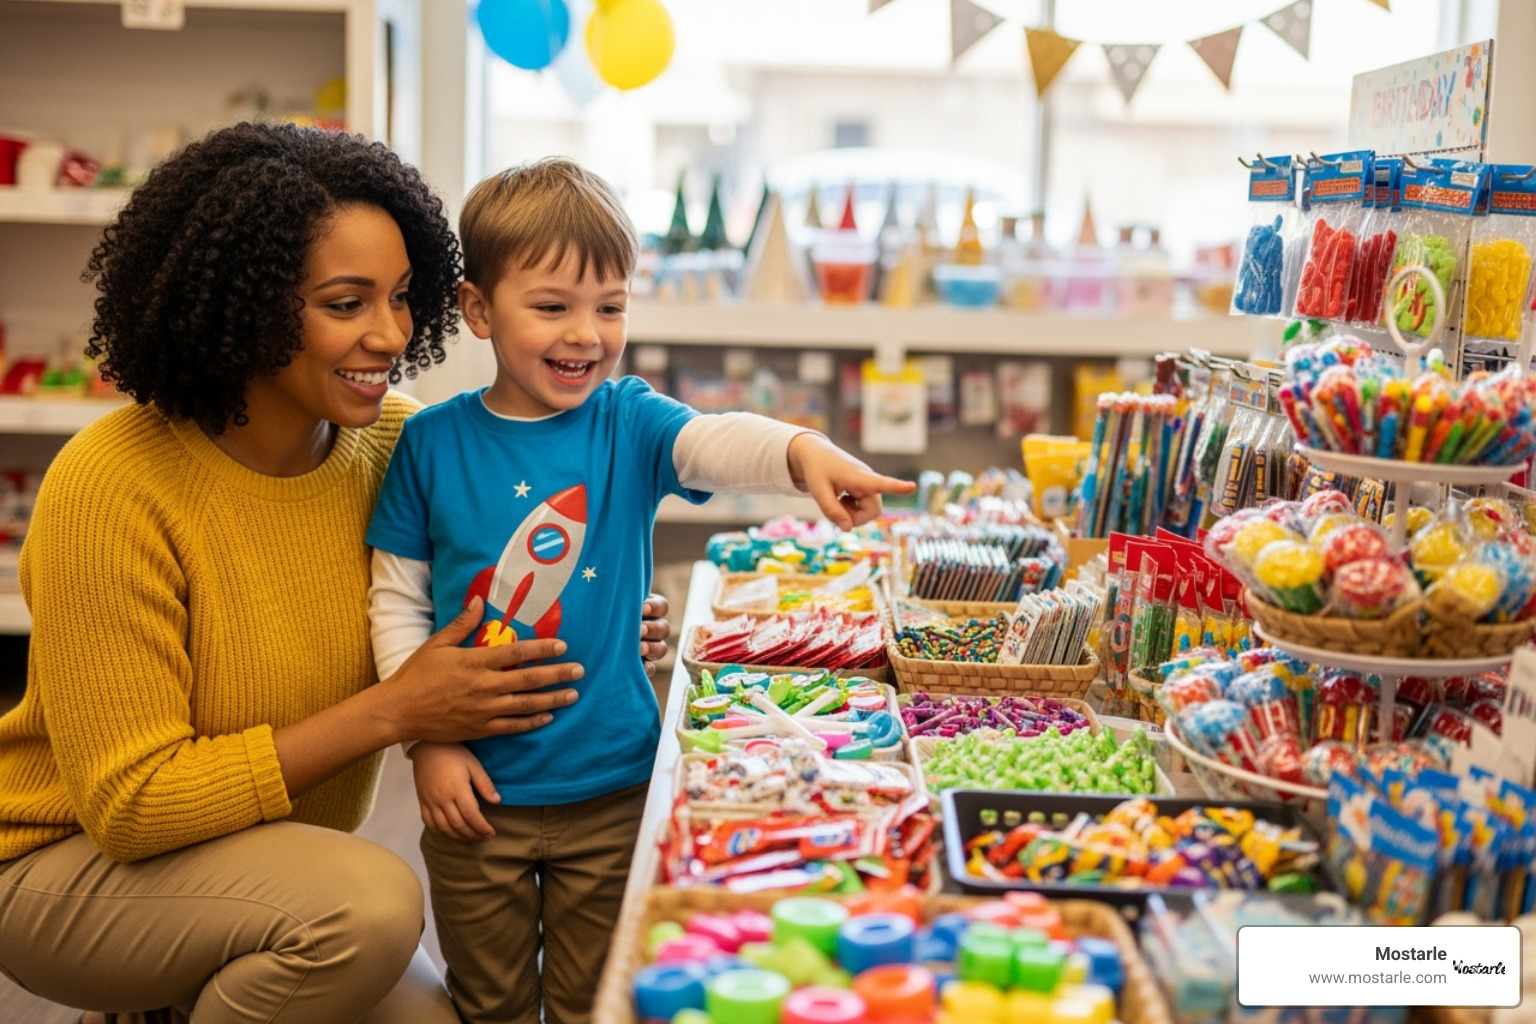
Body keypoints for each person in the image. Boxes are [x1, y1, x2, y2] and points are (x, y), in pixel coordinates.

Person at [0, 123, 672, 1024]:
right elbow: (132, 805)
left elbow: (488, 585)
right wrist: (400, 711)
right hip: (70, 867)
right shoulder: (111, 484)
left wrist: (599, 611)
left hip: (267, 862)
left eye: (401, 297)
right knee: (373, 908)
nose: (392, 334)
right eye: (346, 303)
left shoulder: (396, 438)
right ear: (244, 304)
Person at [365, 156, 916, 1024]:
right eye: (552, 306)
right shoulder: (430, 443)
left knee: (600, 997)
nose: (586, 332)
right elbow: (396, 602)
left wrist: (802, 451)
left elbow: (713, 441)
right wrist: (426, 745)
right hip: (474, 798)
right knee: (490, 1002)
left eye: (610, 306)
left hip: (614, 789)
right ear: (478, 308)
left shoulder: (629, 418)